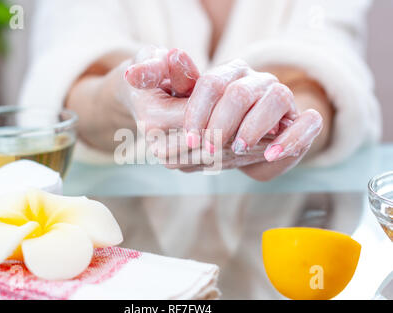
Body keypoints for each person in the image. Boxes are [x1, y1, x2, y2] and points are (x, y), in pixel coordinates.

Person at [19, 0, 380, 181]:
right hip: (123, 243)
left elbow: (332, 64)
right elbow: (64, 74)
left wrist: (286, 124)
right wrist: (126, 92)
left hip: (280, 240)